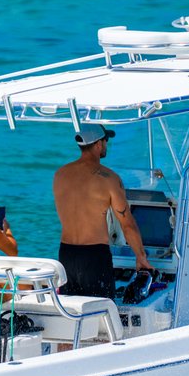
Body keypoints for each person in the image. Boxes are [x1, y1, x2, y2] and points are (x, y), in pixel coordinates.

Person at [52, 125, 152, 299]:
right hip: (94, 256)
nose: (107, 145)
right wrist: (141, 257)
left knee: (73, 311)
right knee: (101, 311)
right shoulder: (109, 179)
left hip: (66, 254)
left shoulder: (60, 175)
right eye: (106, 141)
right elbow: (127, 224)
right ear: (98, 144)